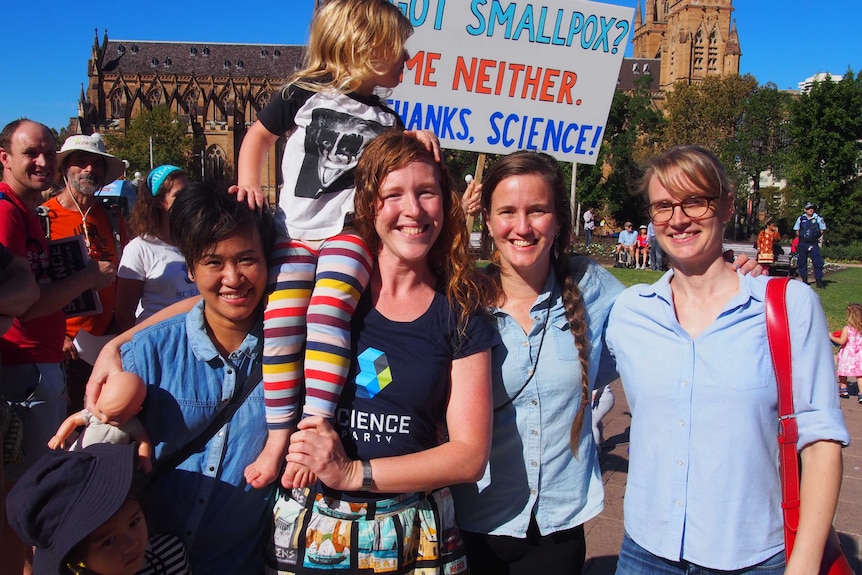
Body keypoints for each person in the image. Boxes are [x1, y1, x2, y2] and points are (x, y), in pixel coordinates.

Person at [606, 145, 848, 574]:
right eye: (663, 206)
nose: (678, 219)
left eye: (694, 201)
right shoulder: (630, 312)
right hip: (646, 551)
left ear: (727, 205)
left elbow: (821, 441)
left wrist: (804, 565)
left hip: (751, 556)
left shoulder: (788, 307)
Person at [231, 0, 441, 489]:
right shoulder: (300, 92)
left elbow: (397, 164)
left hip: (349, 232)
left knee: (328, 312)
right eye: (399, 49)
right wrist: (249, 183)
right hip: (295, 232)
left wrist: (417, 136)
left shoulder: (390, 118)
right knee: (281, 319)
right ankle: (280, 433)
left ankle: (316, 422)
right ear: (364, 46)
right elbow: (258, 137)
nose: (407, 60)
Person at [266, 130, 494, 574]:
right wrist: (119, 344)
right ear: (370, 205)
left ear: (445, 204)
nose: (413, 210)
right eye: (394, 194)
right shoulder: (324, 286)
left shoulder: (461, 310)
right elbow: (217, 298)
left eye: (427, 192)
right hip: (313, 526)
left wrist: (354, 473)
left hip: (409, 533)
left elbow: (469, 455)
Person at [453, 150, 624, 575]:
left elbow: (670, 313)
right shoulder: (461, 300)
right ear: (488, 222)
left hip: (557, 528)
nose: (523, 226)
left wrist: (733, 277)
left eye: (538, 210)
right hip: (473, 523)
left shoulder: (593, 288)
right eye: (507, 211)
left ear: (559, 220)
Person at [0, 119, 114, 572]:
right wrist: (86, 279)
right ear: (5, 157)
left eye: (48, 151)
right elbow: (21, 300)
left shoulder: (27, 212)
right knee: (24, 488)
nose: (43, 161)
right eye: (32, 153)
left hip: (41, 360)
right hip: (22, 363)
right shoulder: (9, 212)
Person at [6, 442, 191, 575]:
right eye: (109, 541)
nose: (131, 543)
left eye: (134, 522)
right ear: (73, 557)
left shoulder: (171, 557)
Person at [42, 133, 128, 411]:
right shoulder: (43, 218)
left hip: (106, 344)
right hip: (60, 348)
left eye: (97, 164)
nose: (90, 169)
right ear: (65, 169)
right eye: (81, 162)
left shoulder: (113, 218)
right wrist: (56, 335)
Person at [115, 165, 197, 331]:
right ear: (159, 201)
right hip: (159, 343)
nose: (187, 200)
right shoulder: (139, 249)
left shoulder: (195, 242)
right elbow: (124, 316)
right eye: (179, 195)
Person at [48, 371, 152, 471]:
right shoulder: (93, 414)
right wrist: (60, 436)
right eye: (101, 412)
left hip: (105, 466)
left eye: (114, 419)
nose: (104, 419)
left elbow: (143, 442)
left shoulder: (132, 425)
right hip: (77, 455)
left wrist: (144, 458)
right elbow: (73, 420)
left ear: (135, 411)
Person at [829, 303, 862, 402]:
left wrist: (831, 336)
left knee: (843, 372)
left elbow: (841, 341)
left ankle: (844, 389)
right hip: (859, 355)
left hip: (848, 355)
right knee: (860, 375)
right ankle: (861, 394)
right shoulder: (860, 329)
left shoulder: (847, 329)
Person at [793, 201, 826, 288]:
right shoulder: (800, 218)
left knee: (817, 262)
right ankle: (804, 281)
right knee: (802, 262)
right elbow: (797, 230)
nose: (810, 210)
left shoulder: (818, 218)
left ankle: (819, 281)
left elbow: (822, 229)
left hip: (813, 243)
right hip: (803, 243)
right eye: (808, 209)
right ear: (805, 210)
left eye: (811, 208)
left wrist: (815, 237)